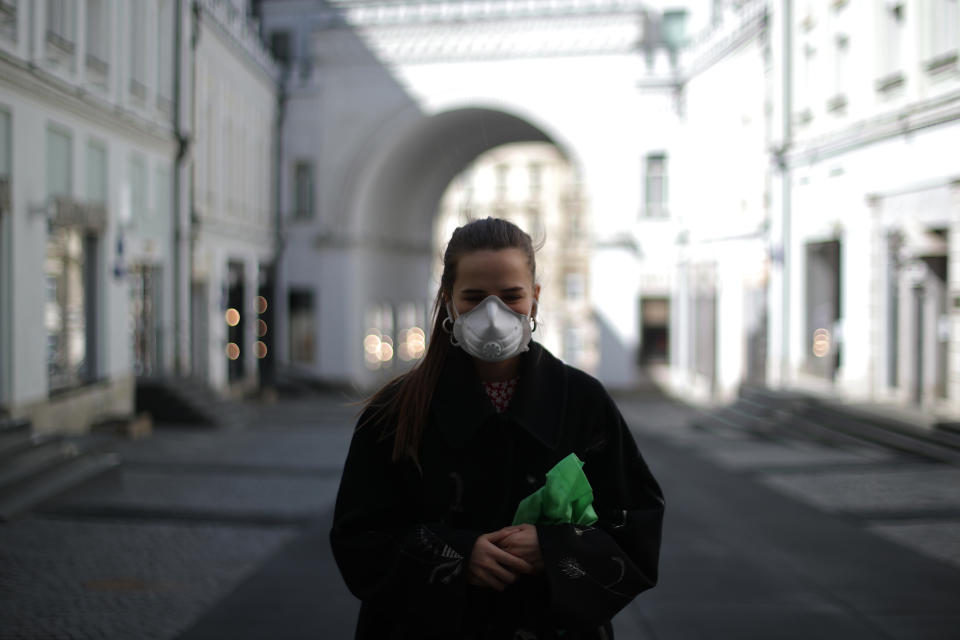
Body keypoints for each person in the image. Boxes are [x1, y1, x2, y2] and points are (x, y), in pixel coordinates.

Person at [330, 217, 664, 639]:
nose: (493, 314)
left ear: (535, 298)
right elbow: (358, 539)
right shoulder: (395, 410)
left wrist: (553, 547)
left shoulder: (582, 402)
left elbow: (635, 525)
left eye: (511, 296)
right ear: (448, 300)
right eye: (474, 297)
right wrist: (458, 555)